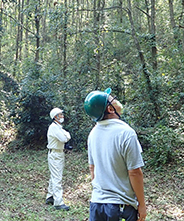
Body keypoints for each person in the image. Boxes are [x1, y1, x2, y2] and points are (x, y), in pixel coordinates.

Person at [84, 88, 147, 221]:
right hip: (120, 207)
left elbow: (92, 168)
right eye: (113, 99)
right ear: (110, 109)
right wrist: (142, 204)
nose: (117, 100)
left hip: (96, 204)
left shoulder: (93, 133)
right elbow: (135, 172)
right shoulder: (126, 133)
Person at [45, 107, 71, 211]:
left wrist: (66, 134)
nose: (62, 116)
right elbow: (64, 138)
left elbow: (67, 134)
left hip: (58, 153)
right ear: (55, 117)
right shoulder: (54, 127)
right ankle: (58, 202)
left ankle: (50, 196)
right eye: (60, 115)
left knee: (54, 175)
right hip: (55, 153)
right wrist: (66, 135)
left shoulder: (58, 127)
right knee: (57, 178)